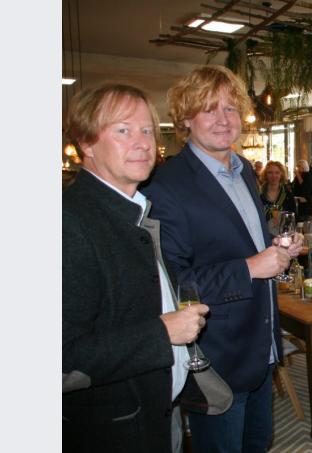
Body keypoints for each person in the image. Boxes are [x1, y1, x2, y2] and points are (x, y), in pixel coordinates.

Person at [143, 65, 303, 453]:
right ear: (185, 118)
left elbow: (242, 238)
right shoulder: (167, 185)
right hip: (216, 354)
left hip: (261, 342)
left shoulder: (244, 169)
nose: (223, 120)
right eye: (209, 109)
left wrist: (276, 246)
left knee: (258, 443)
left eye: (231, 109)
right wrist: (251, 266)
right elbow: (174, 283)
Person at [63, 83, 208, 453]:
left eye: (147, 130)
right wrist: (161, 332)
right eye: (123, 130)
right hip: (113, 430)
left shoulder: (135, 211)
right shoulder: (68, 222)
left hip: (160, 410)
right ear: (87, 143)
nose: (143, 142)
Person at [260, 161, 297, 230]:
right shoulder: (258, 193)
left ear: (281, 175)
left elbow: (293, 216)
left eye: (277, 172)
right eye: (270, 172)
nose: (273, 176)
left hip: (284, 233)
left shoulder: (287, 194)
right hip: (262, 232)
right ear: (265, 174)